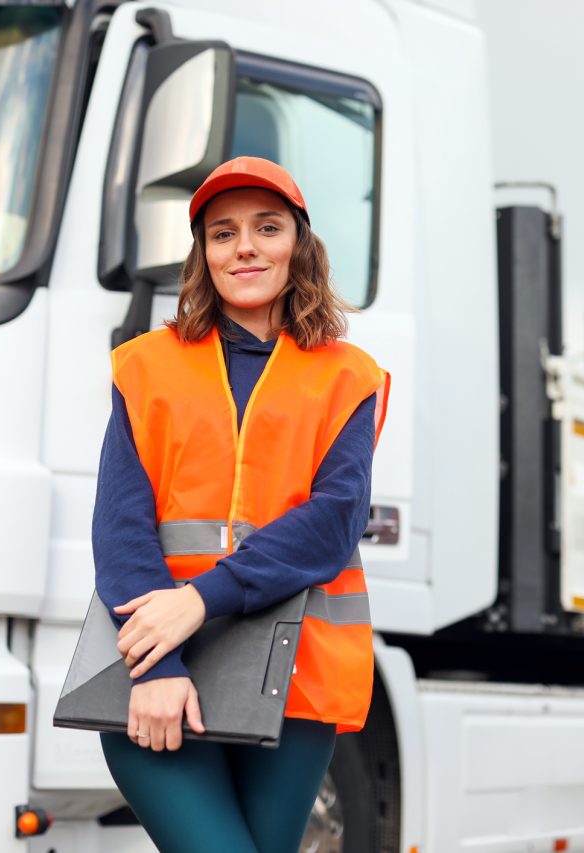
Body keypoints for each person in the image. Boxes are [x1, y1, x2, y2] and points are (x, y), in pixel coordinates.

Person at [90, 156, 390, 853]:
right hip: (156, 675)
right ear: (205, 255)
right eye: (222, 233)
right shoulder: (147, 367)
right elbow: (121, 529)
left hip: (297, 678)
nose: (245, 245)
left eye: (266, 226)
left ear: (299, 245)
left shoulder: (349, 376)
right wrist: (157, 667)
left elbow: (333, 522)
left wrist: (200, 597)